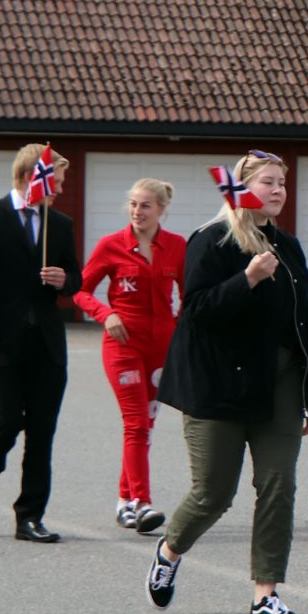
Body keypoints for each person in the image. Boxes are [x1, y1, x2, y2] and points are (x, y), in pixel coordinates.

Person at [147, 151, 308, 614]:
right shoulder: (212, 239)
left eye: (282, 182)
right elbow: (197, 312)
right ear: (243, 188)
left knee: (278, 485)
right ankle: (169, 550)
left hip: (280, 385)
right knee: (213, 494)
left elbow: (301, 325)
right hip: (218, 386)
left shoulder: (286, 245)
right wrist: (247, 278)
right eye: (268, 182)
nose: (278, 190)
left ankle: (266, 594)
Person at [0, 143, 81, 542]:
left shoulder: (59, 224)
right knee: (6, 420)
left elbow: (75, 278)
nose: (59, 189)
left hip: (46, 344)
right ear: (32, 177)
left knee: (42, 432)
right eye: (55, 181)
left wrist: (65, 280)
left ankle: (29, 517)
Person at [74, 178, 187, 534]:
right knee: (136, 423)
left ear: (162, 209)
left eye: (145, 205)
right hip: (123, 345)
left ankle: (124, 502)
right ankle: (141, 502)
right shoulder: (111, 245)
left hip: (161, 349)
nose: (137, 211)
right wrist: (105, 313)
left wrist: (179, 330)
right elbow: (79, 290)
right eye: (133, 204)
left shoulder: (177, 246)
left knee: (145, 425)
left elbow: (190, 295)